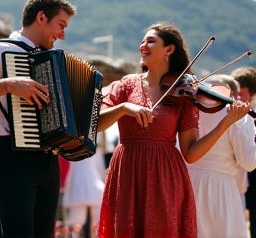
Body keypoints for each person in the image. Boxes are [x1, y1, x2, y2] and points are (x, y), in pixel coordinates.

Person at [96, 22, 251, 238]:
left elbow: (191, 153)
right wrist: (123, 108)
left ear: (169, 50)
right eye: (142, 41)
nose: (143, 45)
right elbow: (98, 123)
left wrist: (224, 124)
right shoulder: (126, 85)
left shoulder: (184, 94)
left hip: (165, 176)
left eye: (151, 41)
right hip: (127, 171)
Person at [0, 0, 76, 238]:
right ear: (41, 17)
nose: (62, 35)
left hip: (48, 160)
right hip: (11, 158)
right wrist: (8, 84)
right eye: (60, 25)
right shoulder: (0, 51)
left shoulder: (51, 60)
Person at [186, 74, 256, 238]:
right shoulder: (239, 118)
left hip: (187, 183)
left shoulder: (187, 109)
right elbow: (249, 162)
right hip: (221, 188)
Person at [231, 66, 256, 238]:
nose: (237, 99)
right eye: (235, 94)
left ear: (253, 94)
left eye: (242, 94)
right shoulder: (230, 111)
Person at [64, 148, 106, 238]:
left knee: (80, 224)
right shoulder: (96, 149)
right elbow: (101, 169)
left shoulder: (71, 149)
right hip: (92, 187)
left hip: (80, 187)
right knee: (96, 223)